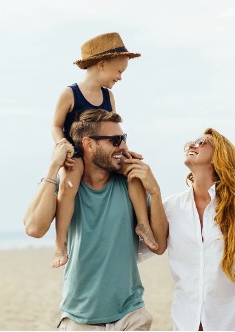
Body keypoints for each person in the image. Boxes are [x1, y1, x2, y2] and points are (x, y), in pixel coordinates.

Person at [23, 109, 168, 330]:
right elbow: (33, 228)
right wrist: (54, 167)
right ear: (89, 144)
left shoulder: (131, 186)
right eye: (115, 140)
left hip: (130, 315)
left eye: (124, 138)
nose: (123, 146)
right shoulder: (68, 189)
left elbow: (159, 245)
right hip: (77, 319)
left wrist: (155, 191)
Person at [51, 32, 157, 268]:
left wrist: (125, 151)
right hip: (77, 153)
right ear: (101, 65)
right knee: (68, 184)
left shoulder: (108, 96)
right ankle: (60, 244)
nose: (120, 77)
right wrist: (63, 145)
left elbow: (114, 129)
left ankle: (142, 223)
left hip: (103, 152)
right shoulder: (70, 93)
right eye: (119, 71)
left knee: (133, 170)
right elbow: (56, 126)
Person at [162, 128, 235, 331]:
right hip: (186, 322)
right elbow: (146, 246)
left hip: (233, 319)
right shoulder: (171, 207)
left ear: (217, 156)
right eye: (191, 141)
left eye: (202, 142)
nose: (192, 144)